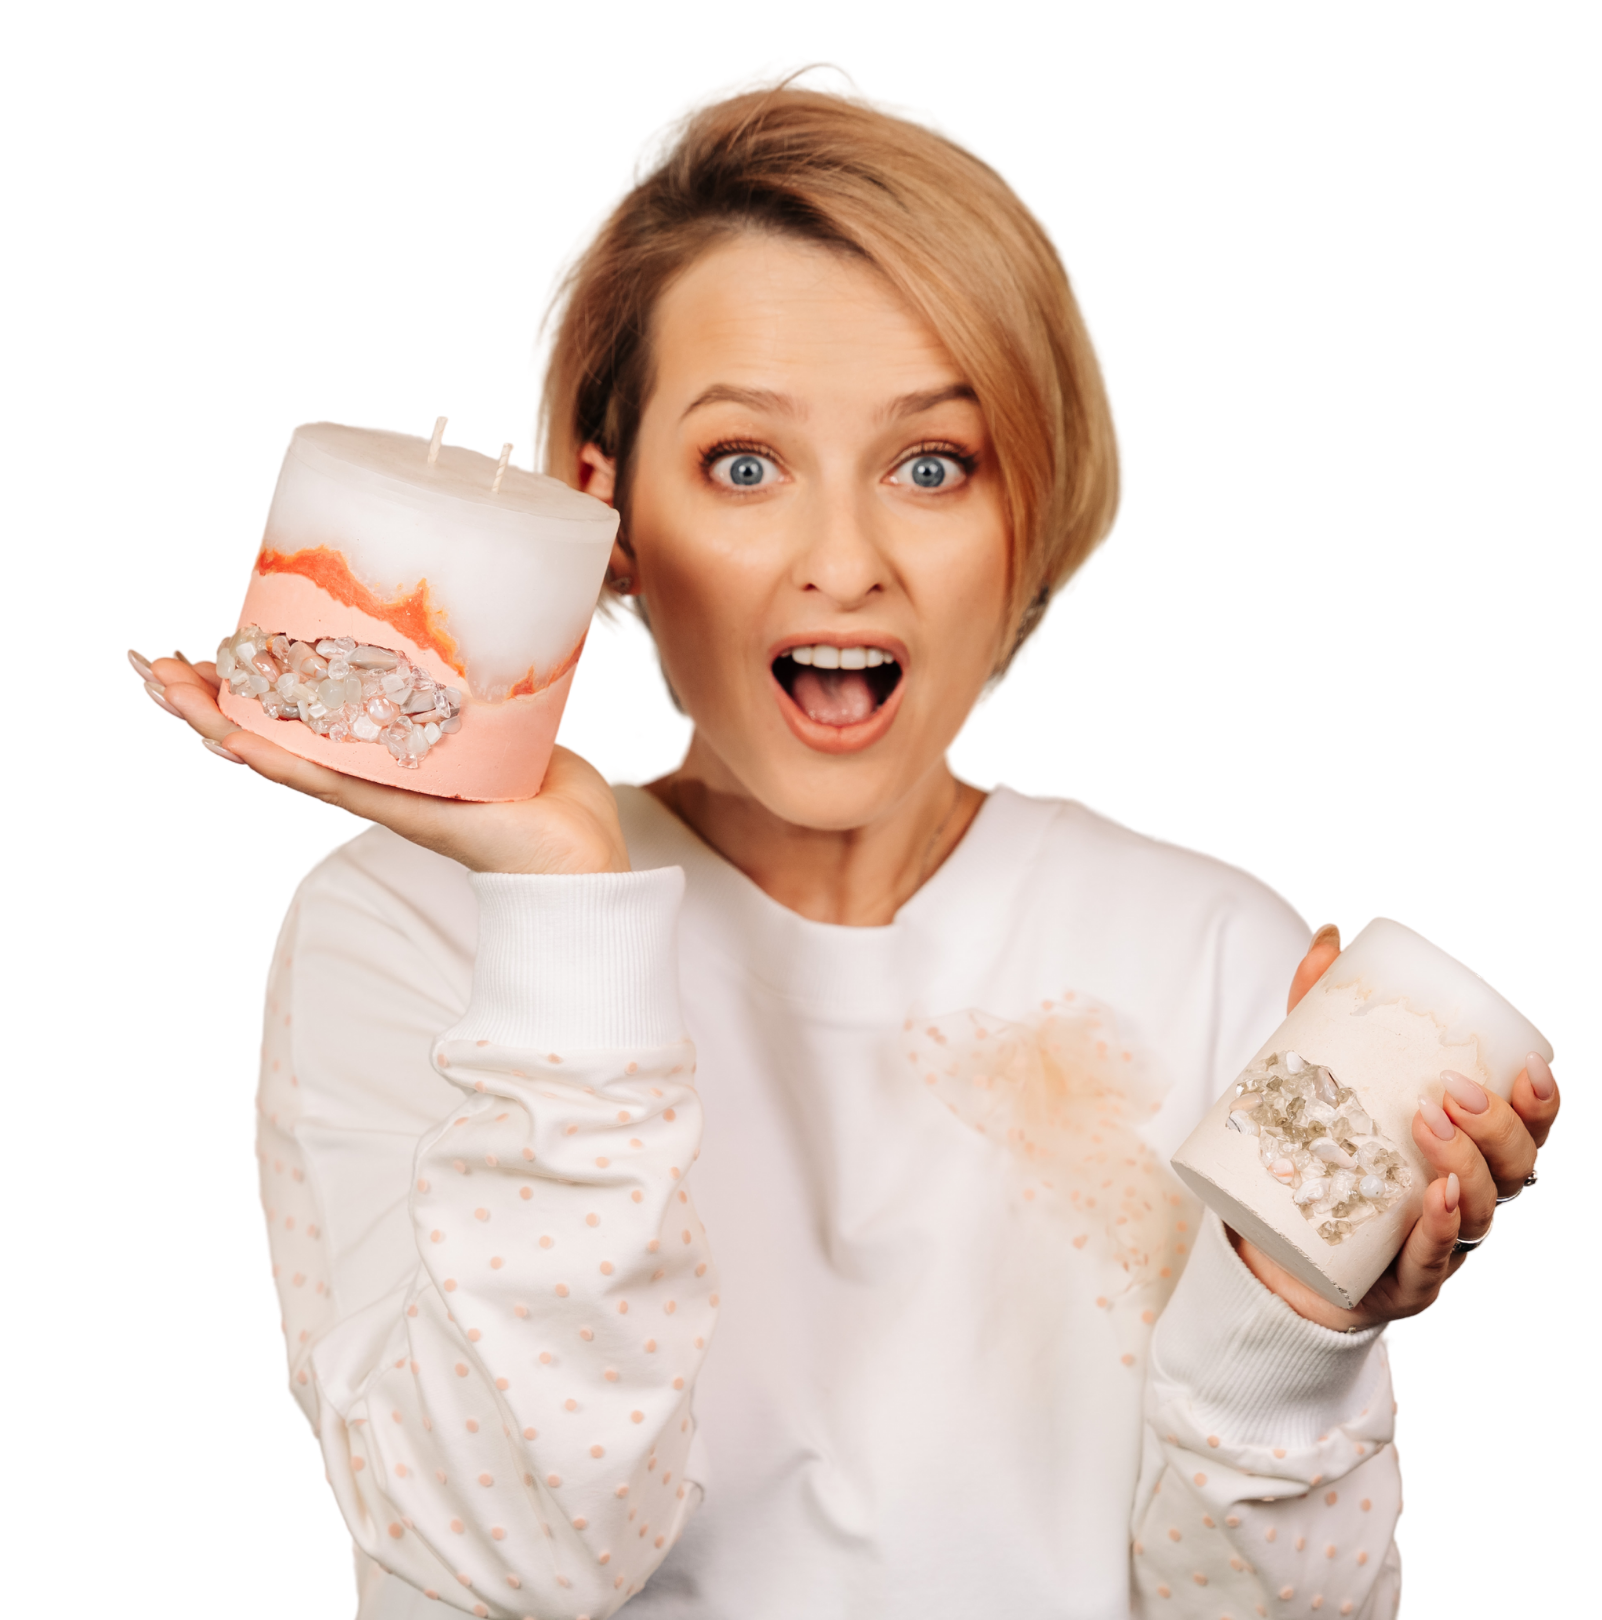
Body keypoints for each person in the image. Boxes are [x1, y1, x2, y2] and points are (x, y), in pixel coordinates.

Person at [132, 58, 1558, 1620]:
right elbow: (504, 1568)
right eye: (744, 465)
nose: (844, 561)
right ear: (607, 518)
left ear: (1028, 512)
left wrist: (1289, 1319)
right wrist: (566, 919)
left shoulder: (1210, 950)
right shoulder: (408, 927)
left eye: (931, 465)